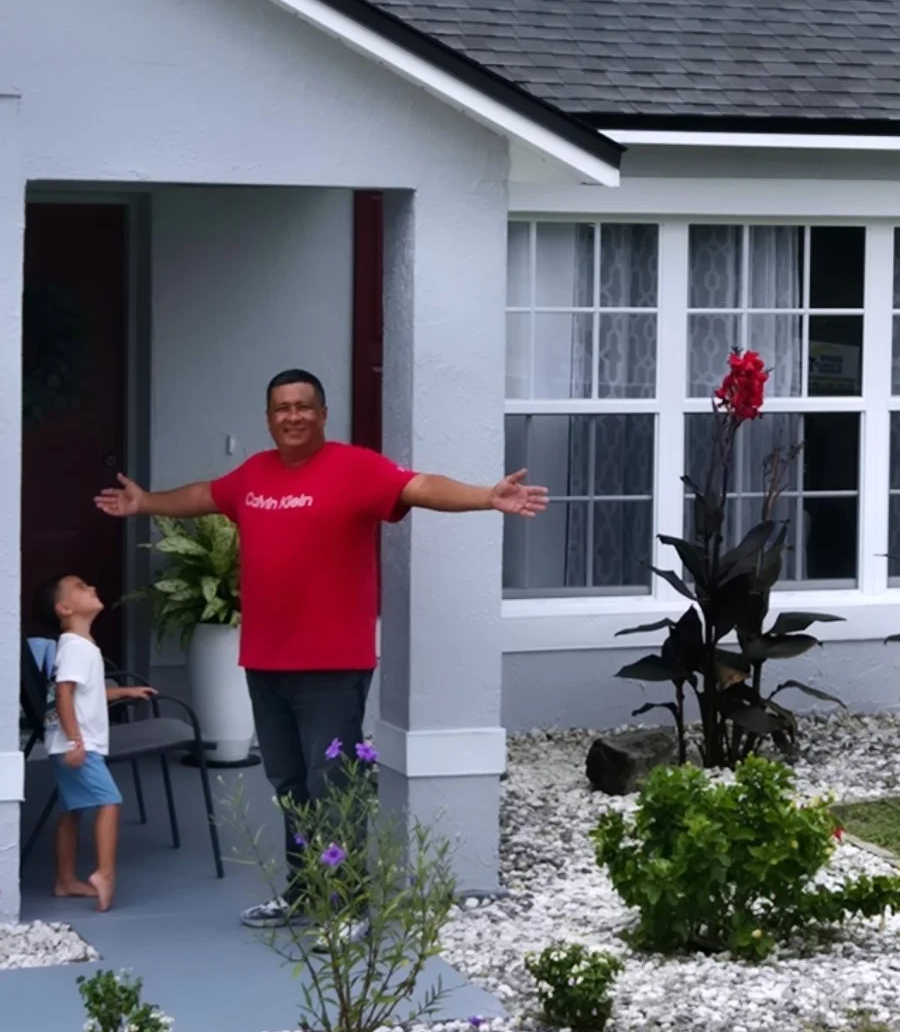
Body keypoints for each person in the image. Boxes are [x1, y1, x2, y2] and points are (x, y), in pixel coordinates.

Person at [94, 367, 547, 931]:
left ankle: (349, 902)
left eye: (304, 406)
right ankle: (305, 893)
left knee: (331, 785)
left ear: (323, 414)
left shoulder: (355, 468)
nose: (293, 416)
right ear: (268, 418)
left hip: (333, 665)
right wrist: (145, 503)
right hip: (265, 661)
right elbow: (206, 495)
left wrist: (486, 496)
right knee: (288, 782)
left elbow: (419, 486)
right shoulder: (254, 475)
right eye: (282, 407)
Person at [41, 573, 156, 912]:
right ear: (64, 608)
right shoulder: (76, 647)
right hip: (78, 745)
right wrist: (76, 740)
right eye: (80, 587)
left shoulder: (78, 646)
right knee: (109, 801)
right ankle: (105, 874)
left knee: (72, 809)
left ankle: (64, 880)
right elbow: (64, 693)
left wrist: (123, 692)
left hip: (65, 743)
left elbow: (83, 695)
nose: (92, 587)